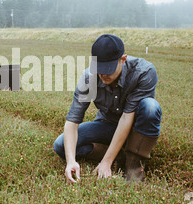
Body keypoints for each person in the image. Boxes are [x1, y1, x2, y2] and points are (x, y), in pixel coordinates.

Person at [53, 34, 162, 183]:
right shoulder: (88, 78)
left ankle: (134, 165)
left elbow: (126, 118)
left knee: (150, 107)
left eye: (108, 69)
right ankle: (120, 157)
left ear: (122, 60)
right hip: (107, 125)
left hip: (135, 130)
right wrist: (70, 161)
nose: (103, 74)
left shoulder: (144, 72)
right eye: (99, 68)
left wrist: (106, 162)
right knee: (61, 145)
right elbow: (72, 122)